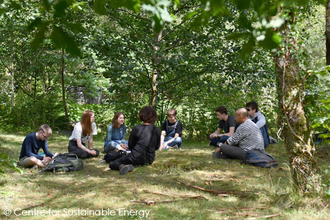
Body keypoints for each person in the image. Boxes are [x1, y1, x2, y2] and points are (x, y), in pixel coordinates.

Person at [109, 106, 161, 175]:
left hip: (135, 157)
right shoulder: (156, 129)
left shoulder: (136, 128)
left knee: (113, 163)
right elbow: (157, 146)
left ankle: (123, 166)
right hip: (149, 159)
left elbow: (131, 145)